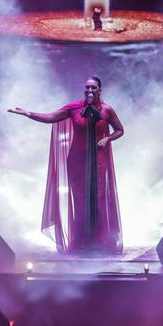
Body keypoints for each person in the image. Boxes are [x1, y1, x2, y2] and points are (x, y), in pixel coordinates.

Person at [9, 76, 124, 254]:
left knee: (97, 200)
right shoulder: (74, 108)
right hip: (77, 161)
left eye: (93, 88)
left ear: (100, 91)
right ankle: (81, 243)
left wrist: (107, 139)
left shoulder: (107, 110)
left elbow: (120, 130)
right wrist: (29, 113)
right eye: (87, 87)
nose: (89, 90)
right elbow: (50, 117)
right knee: (80, 201)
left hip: (98, 162)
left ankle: (99, 242)